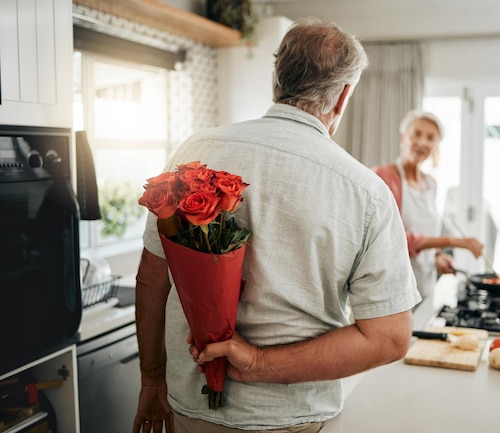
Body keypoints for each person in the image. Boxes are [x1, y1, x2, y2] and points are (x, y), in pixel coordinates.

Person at [133, 18, 420, 433]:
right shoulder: (367, 191)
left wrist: (151, 378)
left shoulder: (196, 150)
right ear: (342, 97)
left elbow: (150, 279)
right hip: (292, 419)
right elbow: (390, 338)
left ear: (277, 80)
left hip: (190, 409)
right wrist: (258, 364)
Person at [372, 110, 483, 299]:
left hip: (424, 283)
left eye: (431, 138)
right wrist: (452, 241)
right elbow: (390, 238)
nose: (422, 142)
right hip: (391, 285)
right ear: (403, 137)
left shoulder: (431, 184)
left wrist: (438, 255)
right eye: (416, 134)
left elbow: (426, 234)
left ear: (436, 145)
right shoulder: (383, 177)